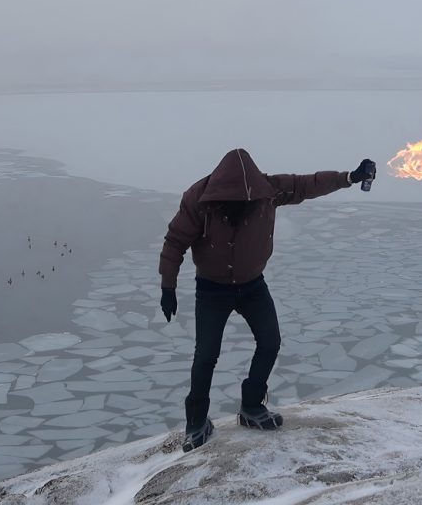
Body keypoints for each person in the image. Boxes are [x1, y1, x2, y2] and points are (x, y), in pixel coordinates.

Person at [159, 148, 375, 452]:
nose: (243, 205)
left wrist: (350, 177)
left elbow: (307, 184)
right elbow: (175, 241)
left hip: (252, 285)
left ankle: (252, 405)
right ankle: (196, 422)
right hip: (212, 288)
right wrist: (168, 287)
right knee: (206, 355)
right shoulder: (198, 198)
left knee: (270, 342)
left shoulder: (267, 190)